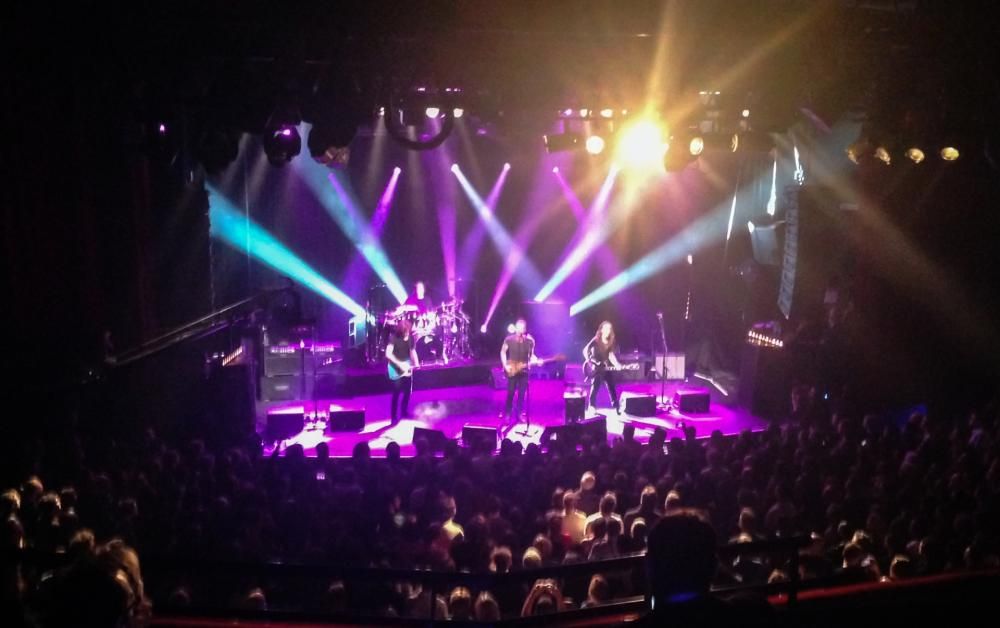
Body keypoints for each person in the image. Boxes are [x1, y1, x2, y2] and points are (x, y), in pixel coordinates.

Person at [499, 318, 540, 425]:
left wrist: (536, 360)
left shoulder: (530, 341)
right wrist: (505, 365)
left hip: (524, 371)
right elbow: (503, 352)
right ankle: (507, 414)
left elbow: (531, 355)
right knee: (511, 392)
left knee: (522, 394)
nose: (521, 330)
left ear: (525, 329)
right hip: (512, 369)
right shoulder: (509, 339)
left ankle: (519, 413)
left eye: (523, 328)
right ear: (516, 328)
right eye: (519, 328)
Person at [582, 321, 622, 414]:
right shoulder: (596, 340)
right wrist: (590, 362)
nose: (608, 330)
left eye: (609, 328)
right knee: (595, 387)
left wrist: (616, 364)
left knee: (611, 386)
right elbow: (585, 350)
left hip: (605, 367)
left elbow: (611, 355)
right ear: (602, 330)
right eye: (606, 328)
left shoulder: (611, 341)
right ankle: (591, 406)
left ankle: (616, 407)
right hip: (596, 367)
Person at [386, 320, 420, 424]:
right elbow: (388, 354)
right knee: (396, 393)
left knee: (407, 392)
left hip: (407, 367)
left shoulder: (410, 338)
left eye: (408, 331)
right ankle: (393, 417)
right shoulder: (393, 338)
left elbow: (412, 351)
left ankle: (404, 411)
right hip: (395, 368)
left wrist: (416, 362)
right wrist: (399, 363)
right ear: (401, 331)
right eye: (405, 332)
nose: (407, 334)